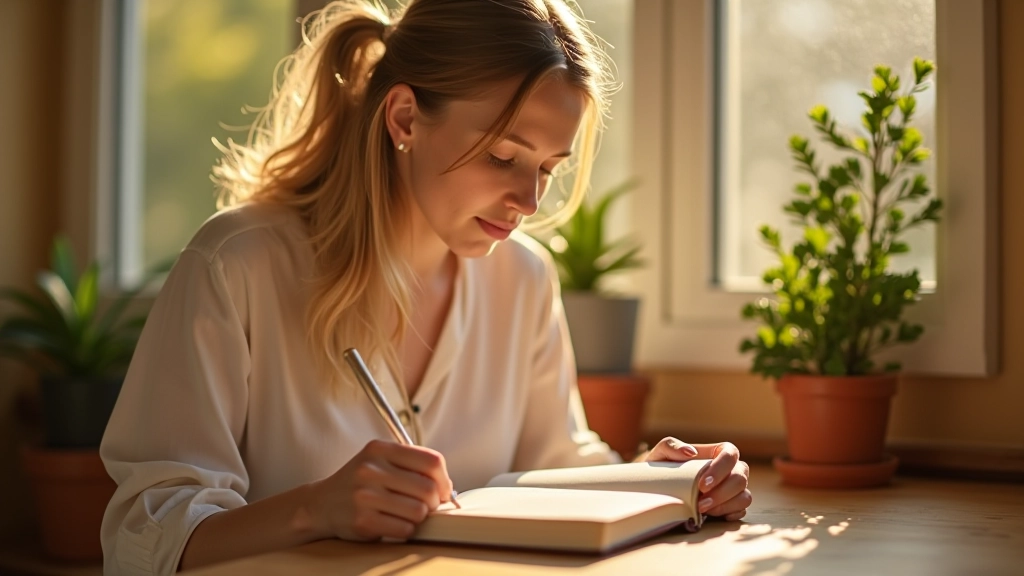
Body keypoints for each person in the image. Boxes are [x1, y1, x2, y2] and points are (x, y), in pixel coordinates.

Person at [99, 0, 752, 574]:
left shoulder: (524, 279)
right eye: (504, 156)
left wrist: (656, 479)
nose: (528, 199)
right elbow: (142, 541)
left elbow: (551, 464)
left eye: (548, 168)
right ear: (406, 118)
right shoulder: (235, 265)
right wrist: (316, 509)